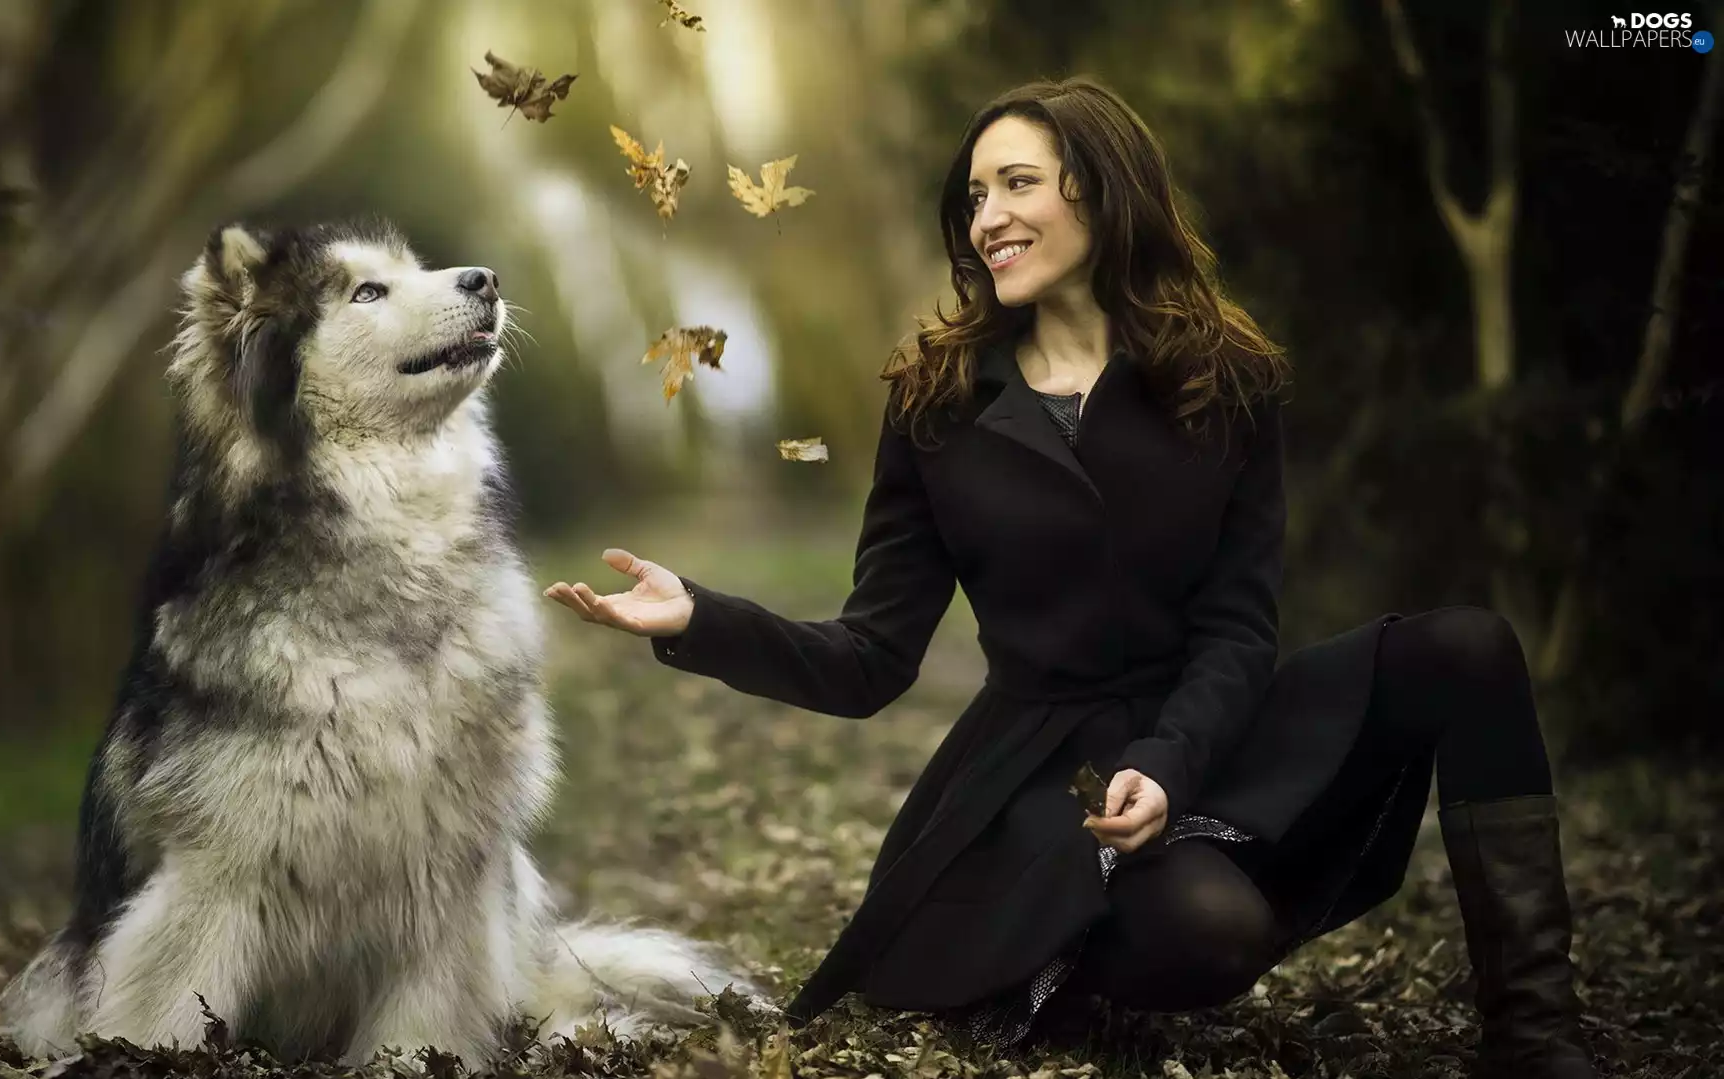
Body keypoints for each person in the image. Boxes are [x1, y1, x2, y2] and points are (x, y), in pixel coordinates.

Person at [541, 76, 1599, 1079]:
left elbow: (1238, 626)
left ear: (1101, 186)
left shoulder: (1225, 378)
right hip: (1045, 772)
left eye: (1016, 183)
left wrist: (1173, 763)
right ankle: (1051, 955)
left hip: (1208, 726)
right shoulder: (936, 399)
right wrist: (697, 618)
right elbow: (870, 658)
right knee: (1212, 935)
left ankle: (1536, 1036)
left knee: (1466, 645)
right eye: (973, 197)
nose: (986, 217)